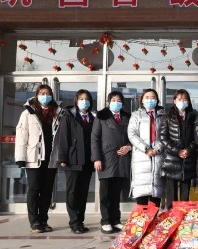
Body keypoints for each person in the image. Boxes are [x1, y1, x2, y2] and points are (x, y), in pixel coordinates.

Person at [15, 84, 62, 233]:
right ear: (36, 95)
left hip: (51, 158)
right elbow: (22, 136)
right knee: (34, 189)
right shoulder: (28, 113)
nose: (45, 96)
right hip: (33, 157)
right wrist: (20, 157)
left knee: (47, 191)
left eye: (47, 93)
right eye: (42, 93)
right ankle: (34, 222)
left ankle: (43, 220)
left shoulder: (58, 113)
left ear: (52, 96)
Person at [54, 89, 96, 234]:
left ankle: (80, 221)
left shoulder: (93, 117)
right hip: (73, 159)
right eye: (81, 98)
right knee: (73, 192)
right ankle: (74, 222)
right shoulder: (68, 116)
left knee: (83, 192)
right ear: (76, 101)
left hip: (87, 160)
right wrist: (62, 158)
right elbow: (63, 137)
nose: (84, 101)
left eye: (87, 99)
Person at [91, 91, 131, 234]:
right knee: (105, 193)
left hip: (122, 159)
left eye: (119, 100)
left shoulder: (127, 117)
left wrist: (129, 147)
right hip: (106, 159)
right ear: (109, 102)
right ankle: (106, 220)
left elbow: (132, 136)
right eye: (113, 100)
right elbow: (95, 138)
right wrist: (97, 158)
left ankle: (116, 219)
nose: (116, 103)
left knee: (116, 192)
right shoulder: (101, 116)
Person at [159, 89, 197, 209]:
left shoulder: (194, 116)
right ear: (174, 101)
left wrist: (189, 150)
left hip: (188, 160)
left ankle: (183, 216)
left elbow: (197, 137)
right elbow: (163, 137)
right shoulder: (167, 116)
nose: (182, 102)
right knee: (171, 193)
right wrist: (177, 151)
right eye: (179, 99)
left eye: (185, 99)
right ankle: (172, 216)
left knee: (185, 194)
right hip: (171, 159)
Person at [127, 89, 165, 207]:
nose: (150, 100)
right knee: (142, 195)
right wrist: (146, 149)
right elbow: (132, 134)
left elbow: (165, 135)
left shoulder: (163, 115)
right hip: (141, 157)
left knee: (156, 194)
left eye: (153, 98)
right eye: (147, 97)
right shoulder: (136, 115)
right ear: (142, 100)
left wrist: (157, 148)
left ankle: (154, 218)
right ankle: (142, 219)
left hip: (158, 156)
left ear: (157, 100)